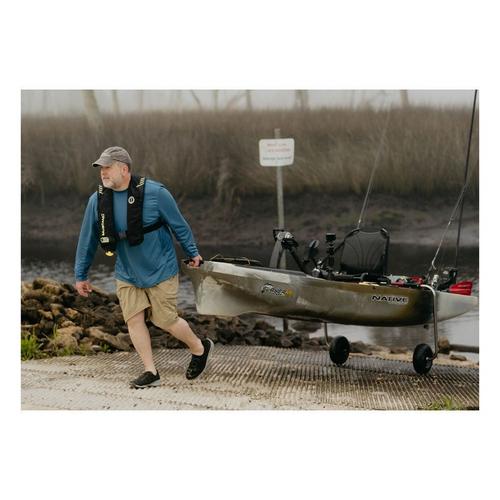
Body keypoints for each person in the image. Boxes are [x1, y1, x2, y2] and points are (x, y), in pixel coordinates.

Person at [74, 146, 213, 388]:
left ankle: (199, 348)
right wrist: (81, 274)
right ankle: (151, 371)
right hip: (127, 272)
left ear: (124, 169)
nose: (103, 172)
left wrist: (193, 253)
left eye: (108, 167)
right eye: (101, 168)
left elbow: (179, 225)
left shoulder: (156, 193)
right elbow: (87, 238)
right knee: (133, 320)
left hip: (161, 268)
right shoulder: (97, 201)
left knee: (165, 320)